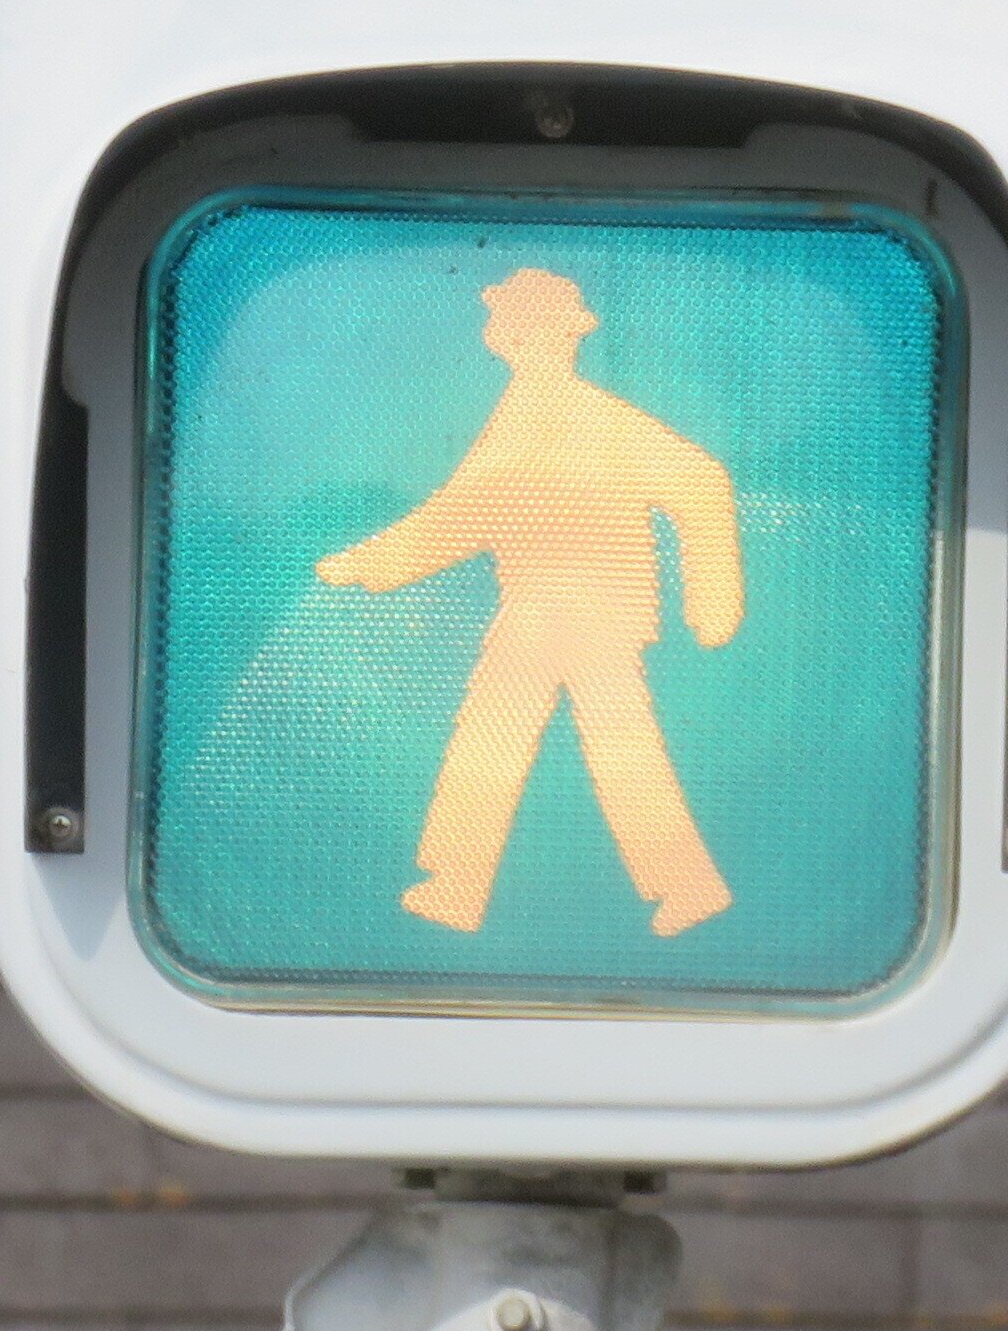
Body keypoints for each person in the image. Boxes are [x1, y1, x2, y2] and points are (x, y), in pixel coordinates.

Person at [314, 261, 743, 937]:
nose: (497, 332)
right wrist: (371, 564)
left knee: (607, 749)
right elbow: (466, 513)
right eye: (499, 322)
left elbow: (702, 480)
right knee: (507, 739)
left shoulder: (592, 417)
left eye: (508, 320)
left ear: (545, 334)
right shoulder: (521, 412)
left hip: (593, 614)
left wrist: (714, 596)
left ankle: (681, 885)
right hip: (540, 611)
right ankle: (458, 885)